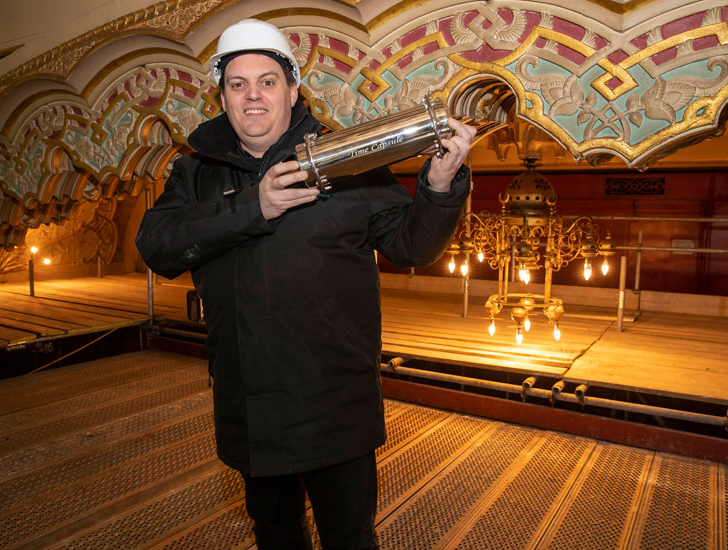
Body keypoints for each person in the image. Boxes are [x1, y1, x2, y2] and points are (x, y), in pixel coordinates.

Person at [135, 18, 476, 550]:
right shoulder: (196, 174)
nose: (253, 96)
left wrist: (438, 184)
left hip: (334, 398)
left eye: (268, 82)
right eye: (238, 84)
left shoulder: (346, 160)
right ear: (222, 96)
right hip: (250, 400)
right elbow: (157, 246)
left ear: (292, 91)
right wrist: (256, 205)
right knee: (275, 535)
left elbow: (413, 246)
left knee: (349, 537)